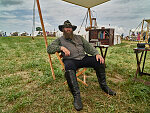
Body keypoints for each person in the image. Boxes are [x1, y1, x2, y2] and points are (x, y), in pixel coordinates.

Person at [47, 20, 116, 111]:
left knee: (99, 61)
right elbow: (49, 49)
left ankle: (104, 86)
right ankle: (76, 95)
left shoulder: (79, 38)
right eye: (66, 28)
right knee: (69, 68)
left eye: (70, 28)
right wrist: (61, 48)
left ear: (72, 29)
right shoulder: (59, 40)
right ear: (63, 30)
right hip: (71, 60)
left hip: (83, 58)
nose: (68, 29)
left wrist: (96, 54)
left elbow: (89, 47)